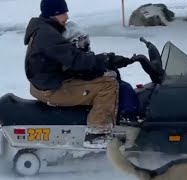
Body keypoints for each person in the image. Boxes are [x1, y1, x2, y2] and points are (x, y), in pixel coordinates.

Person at [24, 0, 135, 149]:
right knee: (108, 85)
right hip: (51, 89)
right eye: (63, 13)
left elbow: (69, 58)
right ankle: (98, 134)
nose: (67, 16)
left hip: (46, 83)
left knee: (103, 77)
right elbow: (75, 59)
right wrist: (105, 59)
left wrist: (101, 63)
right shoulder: (47, 35)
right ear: (54, 14)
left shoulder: (45, 29)